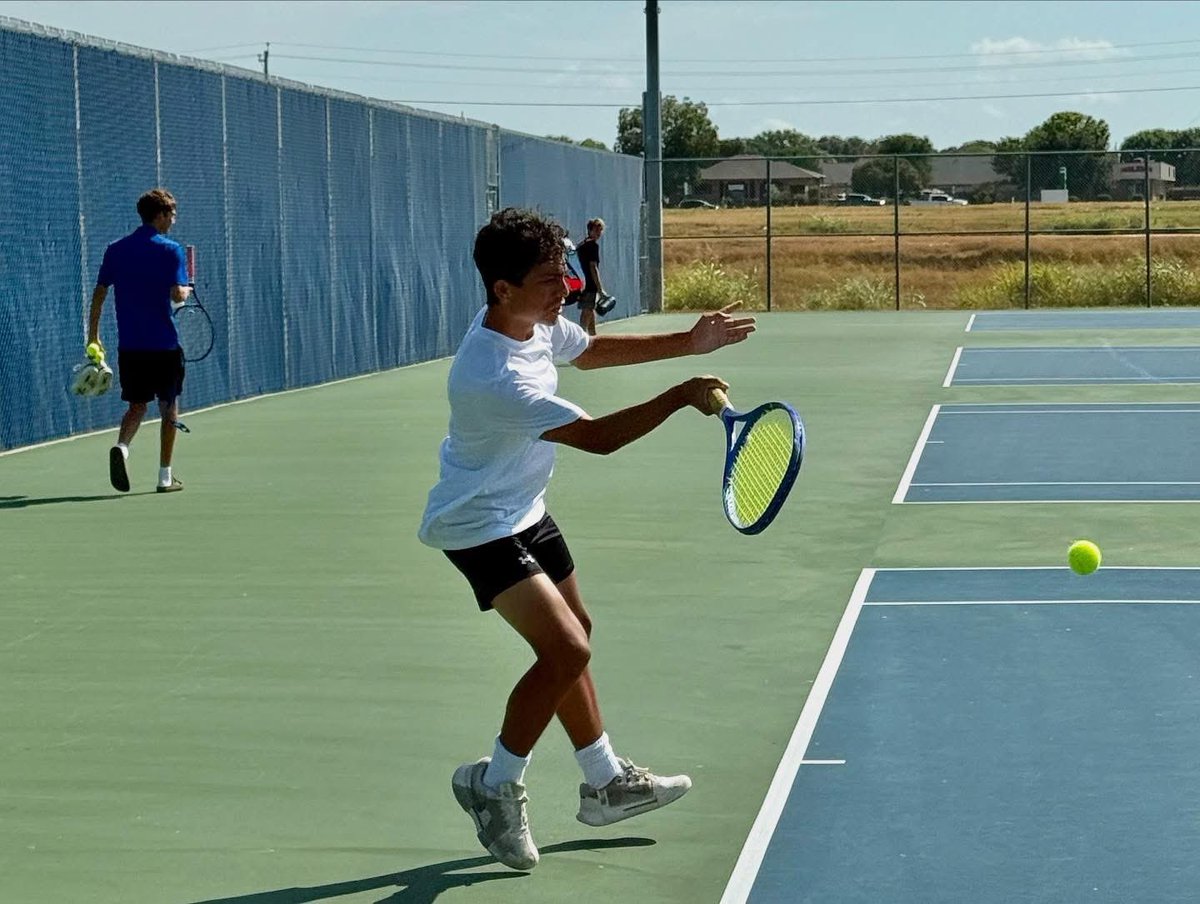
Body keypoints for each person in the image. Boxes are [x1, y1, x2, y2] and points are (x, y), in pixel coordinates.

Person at [418, 207, 756, 871]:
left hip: (524, 506)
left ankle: (604, 784)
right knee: (566, 648)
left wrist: (689, 341)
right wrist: (680, 393)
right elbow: (599, 439)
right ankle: (493, 788)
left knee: (578, 632)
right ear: (502, 289)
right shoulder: (493, 376)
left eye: (564, 272)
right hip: (478, 522)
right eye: (550, 279)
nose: (565, 288)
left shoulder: (533, 324)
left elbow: (592, 350)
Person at [87, 189, 191, 494]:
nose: (174, 219)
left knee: (136, 406)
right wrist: (184, 292)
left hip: (130, 347)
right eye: (171, 214)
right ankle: (165, 476)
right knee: (169, 407)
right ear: (159, 216)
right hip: (164, 346)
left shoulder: (115, 250)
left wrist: (93, 335)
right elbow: (176, 294)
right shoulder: (172, 250)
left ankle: (122, 446)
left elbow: (100, 293)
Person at [575, 216, 606, 336]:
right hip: (589, 284)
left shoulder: (582, 245)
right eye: (596, 230)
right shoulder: (592, 246)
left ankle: (593, 335)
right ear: (590, 230)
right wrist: (600, 288)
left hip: (581, 282)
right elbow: (593, 267)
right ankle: (581, 338)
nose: (599, 233)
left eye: (600, 230)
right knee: (587, 310)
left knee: (590, 309)